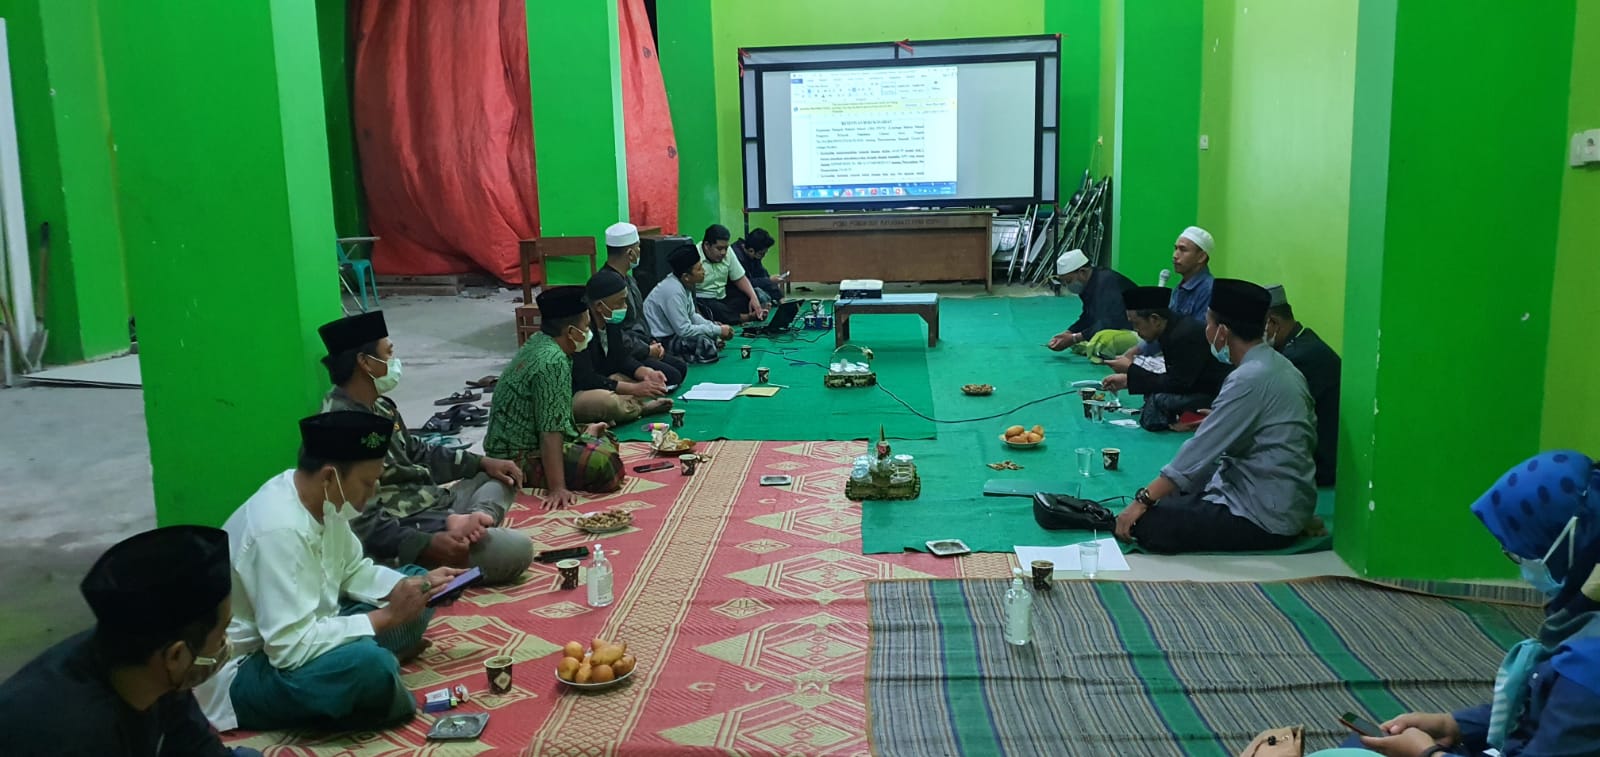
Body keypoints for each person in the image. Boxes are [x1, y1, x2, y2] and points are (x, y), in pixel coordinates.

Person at [195, 412, 465, 733]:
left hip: (315, 627)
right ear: (328, 477)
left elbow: (353, 572)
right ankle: (369, 682)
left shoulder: (324, 501)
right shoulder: (277, 529)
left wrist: (415, 587)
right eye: (366, 483)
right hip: (251, 666)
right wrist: (388, 618)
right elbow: (288, 648)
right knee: (369, 667)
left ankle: (365, 673)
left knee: (414, 583)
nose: (372, 492)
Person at [1337, 450, 1600, 757]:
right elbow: (1545, 706)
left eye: (1519, 552)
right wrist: (1455, 725)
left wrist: (1429, 755)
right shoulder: (1580, 620)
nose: (1518, 561)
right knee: (1364, 748)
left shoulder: (1589, 666)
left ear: (1571, 544)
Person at [0, 526, 260, 757]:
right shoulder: (76, 735)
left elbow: (196, 745)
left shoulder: (151, 672)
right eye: (223, 631)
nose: (226, 642)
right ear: (176, 655)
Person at [317, 311, 533, 585]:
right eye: (388, 353)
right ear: (365, 362)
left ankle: (473, 523)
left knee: (498, 474)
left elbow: (418, 452)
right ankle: (460, 534)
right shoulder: (341, 426)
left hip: (432, 503)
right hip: (405, 524)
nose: (394, 362)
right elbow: (362, 524)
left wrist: (481, 463)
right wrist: (428, 543)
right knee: (517, 551)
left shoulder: (380, 406)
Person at [1112, 279, 1318, 553]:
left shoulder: (1249, 378)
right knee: (1174, 496)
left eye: (1208, 323)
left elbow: (1198, 453)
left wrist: (1143, 500)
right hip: (1283, 500)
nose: (1205, 330)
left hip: (1263, 515)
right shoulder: (1280, 366)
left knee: (1150, 524)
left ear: (1222, 332)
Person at [484, 286, 625, 509]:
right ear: (571, 332)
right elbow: (549, 431)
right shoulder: (552, 362)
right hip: (518, 457)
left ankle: (586, 436)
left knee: (605, 438)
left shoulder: (540, 341)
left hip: (520, 441)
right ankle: (586, 439)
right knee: (605, 465)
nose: (588, 332)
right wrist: (558, 488)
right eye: (586, 326)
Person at [1102, 286, 1231, 432]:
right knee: (1153, 397)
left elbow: (1177, 384)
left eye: (1136, 324)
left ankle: (1194, 418)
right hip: (1197, 386)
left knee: (1157, 404)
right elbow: (1176, 377)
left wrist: (1130, 370)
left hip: (1217, 395)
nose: (1135, 330)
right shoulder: (1172, 329)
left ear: (1155, 319)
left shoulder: (1183, 335)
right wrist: (1128, 380)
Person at [1264, 285, 1341, 487]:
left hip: (1320, 466)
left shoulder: (1300, 358)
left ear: (1273, 322)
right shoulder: (1302, 342)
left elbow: (1271, 419)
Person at [574, 271, 674, 425]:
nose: (624, 307)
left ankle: (624, 410)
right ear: (599, 306)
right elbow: (586, 379)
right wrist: (634, 389)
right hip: (578, 391)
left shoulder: (611, 321)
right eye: (620, 302)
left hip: (604, 381)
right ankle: (640, 409)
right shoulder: (581, 329)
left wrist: (646, 373)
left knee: (639, 382)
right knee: (608, 402)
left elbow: (620, 358)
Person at [598, 221, 687, 386]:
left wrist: (651, 342)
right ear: (630, 253)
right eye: (638, 247)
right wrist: (646, 350)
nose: (641, 251)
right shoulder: (608, 286)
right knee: (671, 376)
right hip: (625, 352)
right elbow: (616, 334)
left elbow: (640, 318)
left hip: (641, 344)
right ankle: (620, 380)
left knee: (680, 368)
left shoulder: (630, 280)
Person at [645, 245, 733, 365]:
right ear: (686, 277)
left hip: (674, 334)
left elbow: (693, 316)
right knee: (703, 342)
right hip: (659, 341)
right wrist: (717, 330)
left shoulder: (684, 285)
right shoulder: (672, 291)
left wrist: (713, 328)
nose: (704, 272)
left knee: (709, 334)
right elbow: (684, 331)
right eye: (699, 269)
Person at [1047, 248, 1135, 354]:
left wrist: (1075, 338)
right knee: (1081, 341)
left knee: (1101, 342)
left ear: (1082, 272)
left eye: (1068, 281)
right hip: (1117, 326)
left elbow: (1111, 322)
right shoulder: (1088, 286)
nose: (1067, 286)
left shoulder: (1106, 282)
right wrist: (1069, 332)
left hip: (1136, 330)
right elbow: (1088, 316)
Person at [694, 223, 767, 324]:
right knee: (714, 308)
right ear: (707, 245)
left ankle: (752, 313)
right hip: (704, 299)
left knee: (751, 296)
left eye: (725, 248)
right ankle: (746, 318)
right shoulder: (694, 255)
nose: (723, 252)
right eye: (719, 249)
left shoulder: (728, 252)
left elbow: (740, 278)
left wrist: (753, 298)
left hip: (723, 296)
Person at [1169, 226, 1216, 323]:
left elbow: (1199, 334)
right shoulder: (1179, 288)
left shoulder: (1209, 290)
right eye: (1176, 248)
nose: (1175, 255)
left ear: (1201, 257)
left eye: (1183, 249)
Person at [732, 227, 785, 306]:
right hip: (733, 292)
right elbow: (744, 282)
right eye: (762, 254)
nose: (763, 256)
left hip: (748, 288)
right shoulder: (735, 257)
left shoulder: (753, 255)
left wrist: (780, 298)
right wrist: (769, 280)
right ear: (751, 250)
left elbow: (762, 274)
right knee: (761, 296)